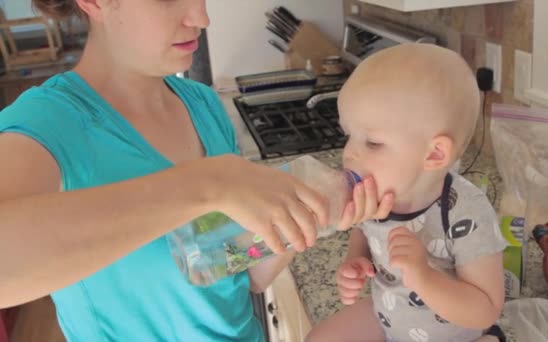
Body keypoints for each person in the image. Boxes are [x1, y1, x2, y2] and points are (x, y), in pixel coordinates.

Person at [0, 0, 394, 341]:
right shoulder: (50, 121)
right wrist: (206, 184)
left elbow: (242, 276)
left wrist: (307, 219)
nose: (201, 17)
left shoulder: (203, 105)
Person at [306, 44, 508, 342]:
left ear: (435, 154)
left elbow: (485, 309)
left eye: (372, 143)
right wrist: (356, 259)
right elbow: (364, 231)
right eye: (349, 136)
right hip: (389, 313)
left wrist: (423, 277)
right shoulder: (376, 194)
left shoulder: (465, 211)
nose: (348, 153)